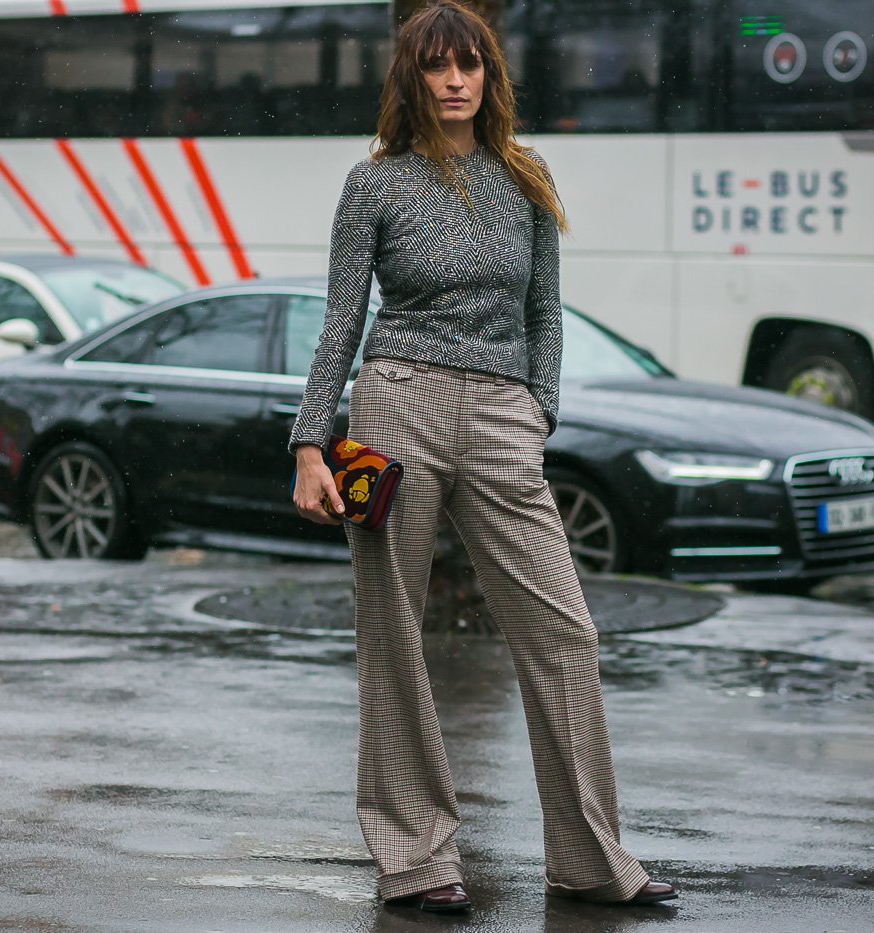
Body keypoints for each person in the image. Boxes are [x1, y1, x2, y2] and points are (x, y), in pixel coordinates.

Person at [286, 0, 677, 914]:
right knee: (393, 634)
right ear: (412, 79)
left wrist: (537, 412)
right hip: (396, 408)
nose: (456, 79)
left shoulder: (525, 176)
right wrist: (312, 439)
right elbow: (342, 318)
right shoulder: (374, 183)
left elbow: (547, 313)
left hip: (503, 419)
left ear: (490, 75)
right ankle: (418, 859)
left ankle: (588, 858)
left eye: (471, 64)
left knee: (564, 631)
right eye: (438, 66)